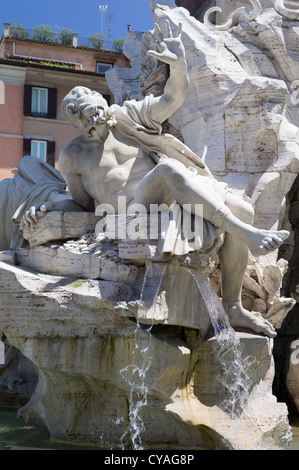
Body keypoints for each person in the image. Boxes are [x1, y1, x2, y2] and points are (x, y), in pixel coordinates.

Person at [20, 21, 289, 338]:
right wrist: (46, 207)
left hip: (173, 198)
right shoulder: (73, 156)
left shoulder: (129, 116)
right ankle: (247, 234)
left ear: (101, 100)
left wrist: (179, 67)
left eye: (89, 110)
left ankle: (232, 306)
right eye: (77, 116)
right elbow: (80, 203)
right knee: (169, 171)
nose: (86, 118)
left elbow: (171, 100)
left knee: (242, 209)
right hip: (128, 213)